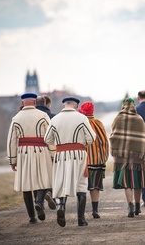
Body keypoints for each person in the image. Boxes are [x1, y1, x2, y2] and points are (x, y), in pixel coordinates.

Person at [44, 96, 96, 227]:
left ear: (63, 106)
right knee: (81, 185)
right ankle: (81, 219)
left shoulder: (55, 119)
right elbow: (91, 137)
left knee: (62, 182)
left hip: (60, 154)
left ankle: (61, 206)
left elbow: (47, 139)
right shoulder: (82, 118)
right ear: (76, 106)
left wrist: (59, 143)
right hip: (78, 154)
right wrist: (82, 143)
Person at [6, 92, 53, 224]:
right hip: (41, 151)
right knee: (45, 179)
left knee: (26, 185)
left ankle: (32, 217)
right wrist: (53, 153)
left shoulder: (16, 118)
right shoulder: (43, 116)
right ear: (34, 102)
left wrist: (12, 160)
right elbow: (50, 136)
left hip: (23, 154)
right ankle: (38, 201)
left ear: (23, 103)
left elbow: (11, 141)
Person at [110, 98, 145, 218]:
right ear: (133, 106)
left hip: (123, 157)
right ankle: (138, 205)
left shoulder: (118, 118)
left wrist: (117, 150)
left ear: (123, 106)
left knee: (127, 182)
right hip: (138, 157)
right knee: (137, 182)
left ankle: (130, 205)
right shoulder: (139, 119)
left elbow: (113, 136)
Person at [79, 101, 109, 219]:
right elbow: (104, 141)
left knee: (81, 187)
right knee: (95, 187)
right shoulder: (98, 123)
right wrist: (104, 157)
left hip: (82, 160)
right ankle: (95, 210)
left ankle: (80, 213)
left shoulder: (81, 123)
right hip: (96, 160)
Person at [35, 95, 57, 210]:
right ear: (48, 104)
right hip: (50, 150)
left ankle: (39, 203)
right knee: (51, 175)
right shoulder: (54, 117)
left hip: (33, 150)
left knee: (37, 177)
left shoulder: (32, 117)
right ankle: (50, 193)